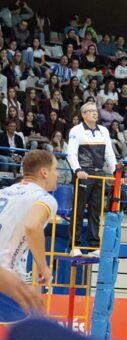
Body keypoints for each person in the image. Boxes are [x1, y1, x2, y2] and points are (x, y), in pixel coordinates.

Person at [0, 150, 57, 322]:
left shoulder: (4, 192)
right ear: (44, 172)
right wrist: (43, 267)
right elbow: (32, 226)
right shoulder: (44, 198)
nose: (58, 174)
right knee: (34, 338)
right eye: (55, 169)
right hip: (6, 279)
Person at [67, 101, 117, 256]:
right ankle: (74, 246)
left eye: (96, 111)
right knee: (79, 210)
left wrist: (116, 170)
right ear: (83, 114)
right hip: (84, 174)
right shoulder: (76, 130)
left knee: (96, 211)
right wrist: (78, 170)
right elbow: (71, 153)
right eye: (91, 111)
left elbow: (109, 153)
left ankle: (94, 246)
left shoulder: (103, 131)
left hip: (99, 174)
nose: (95, 113)